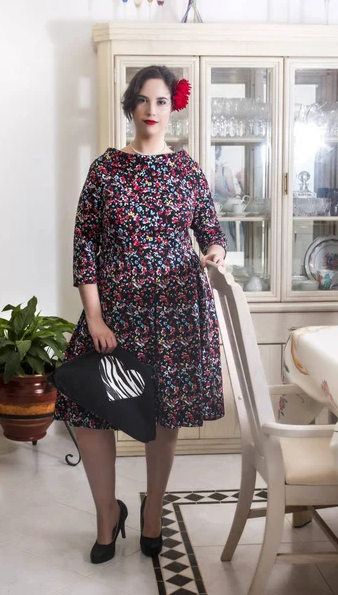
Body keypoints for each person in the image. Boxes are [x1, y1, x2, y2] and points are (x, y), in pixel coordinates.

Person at [54, 65, 227, 564]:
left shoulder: (187, 169)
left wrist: (214, 250)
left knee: (163, 412)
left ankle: (152, 515)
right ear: (132, 105)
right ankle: (107, 514)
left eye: (163, 103)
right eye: (145, 101)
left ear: (173, 110)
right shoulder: (105, 168)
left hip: (175, 313)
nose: (153, 111)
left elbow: (210, 228)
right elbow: (84, 244)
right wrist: (95, 317)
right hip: (115, 314)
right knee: (89, 412)